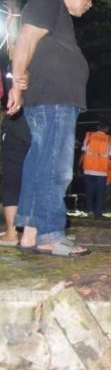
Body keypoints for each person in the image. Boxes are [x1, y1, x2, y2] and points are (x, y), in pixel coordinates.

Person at [6, 0, 96, 257]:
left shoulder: (56, 11)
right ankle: (50, 234)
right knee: (56, 168)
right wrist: (17, 83)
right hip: (54, 100)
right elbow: (26, 38)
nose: (90, 3)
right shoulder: (50, 1)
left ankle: (31, 234)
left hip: (52, 100)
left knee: (40, 165)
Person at [0, 68, 31, 247]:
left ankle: (12, 234)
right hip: (41, 119)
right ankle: (34, 232)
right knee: (37, 175)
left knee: (12, 178)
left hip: (18, 118)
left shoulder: (16, 66)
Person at [80, 120, 111, 218]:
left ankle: (90, 211)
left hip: (88, 169)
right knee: (100, 193)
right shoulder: (109, 139)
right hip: (102, 171)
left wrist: (79, 166)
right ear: (107, 129)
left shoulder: (89, 136)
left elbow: (83, 152)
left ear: (98, 127)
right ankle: (98, 213)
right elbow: (110, 157)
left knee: (89, 191)